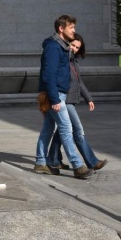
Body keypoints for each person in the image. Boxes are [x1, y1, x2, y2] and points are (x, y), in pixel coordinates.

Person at [34, 15, 93, 179]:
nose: (74, 31)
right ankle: (77, 165)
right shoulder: (54, 47)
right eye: (71, 27)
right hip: (56, 95)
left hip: (58, 93)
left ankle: (40, 162)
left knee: (47, 129)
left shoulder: (61, 46)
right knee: (67, 129)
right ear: (61, 28)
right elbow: (49, 75)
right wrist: (54, 99)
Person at [47, 33, 108, 172]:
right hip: (65, 100)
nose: (74, 48)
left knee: (62, 131)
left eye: (77, 47)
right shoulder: (64, 60)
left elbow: (78, 82)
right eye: (72, 45)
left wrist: (89, 98)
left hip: (71, 100)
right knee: (78, 130)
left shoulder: (74, 62)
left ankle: (53, 159)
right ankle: (92, 162)